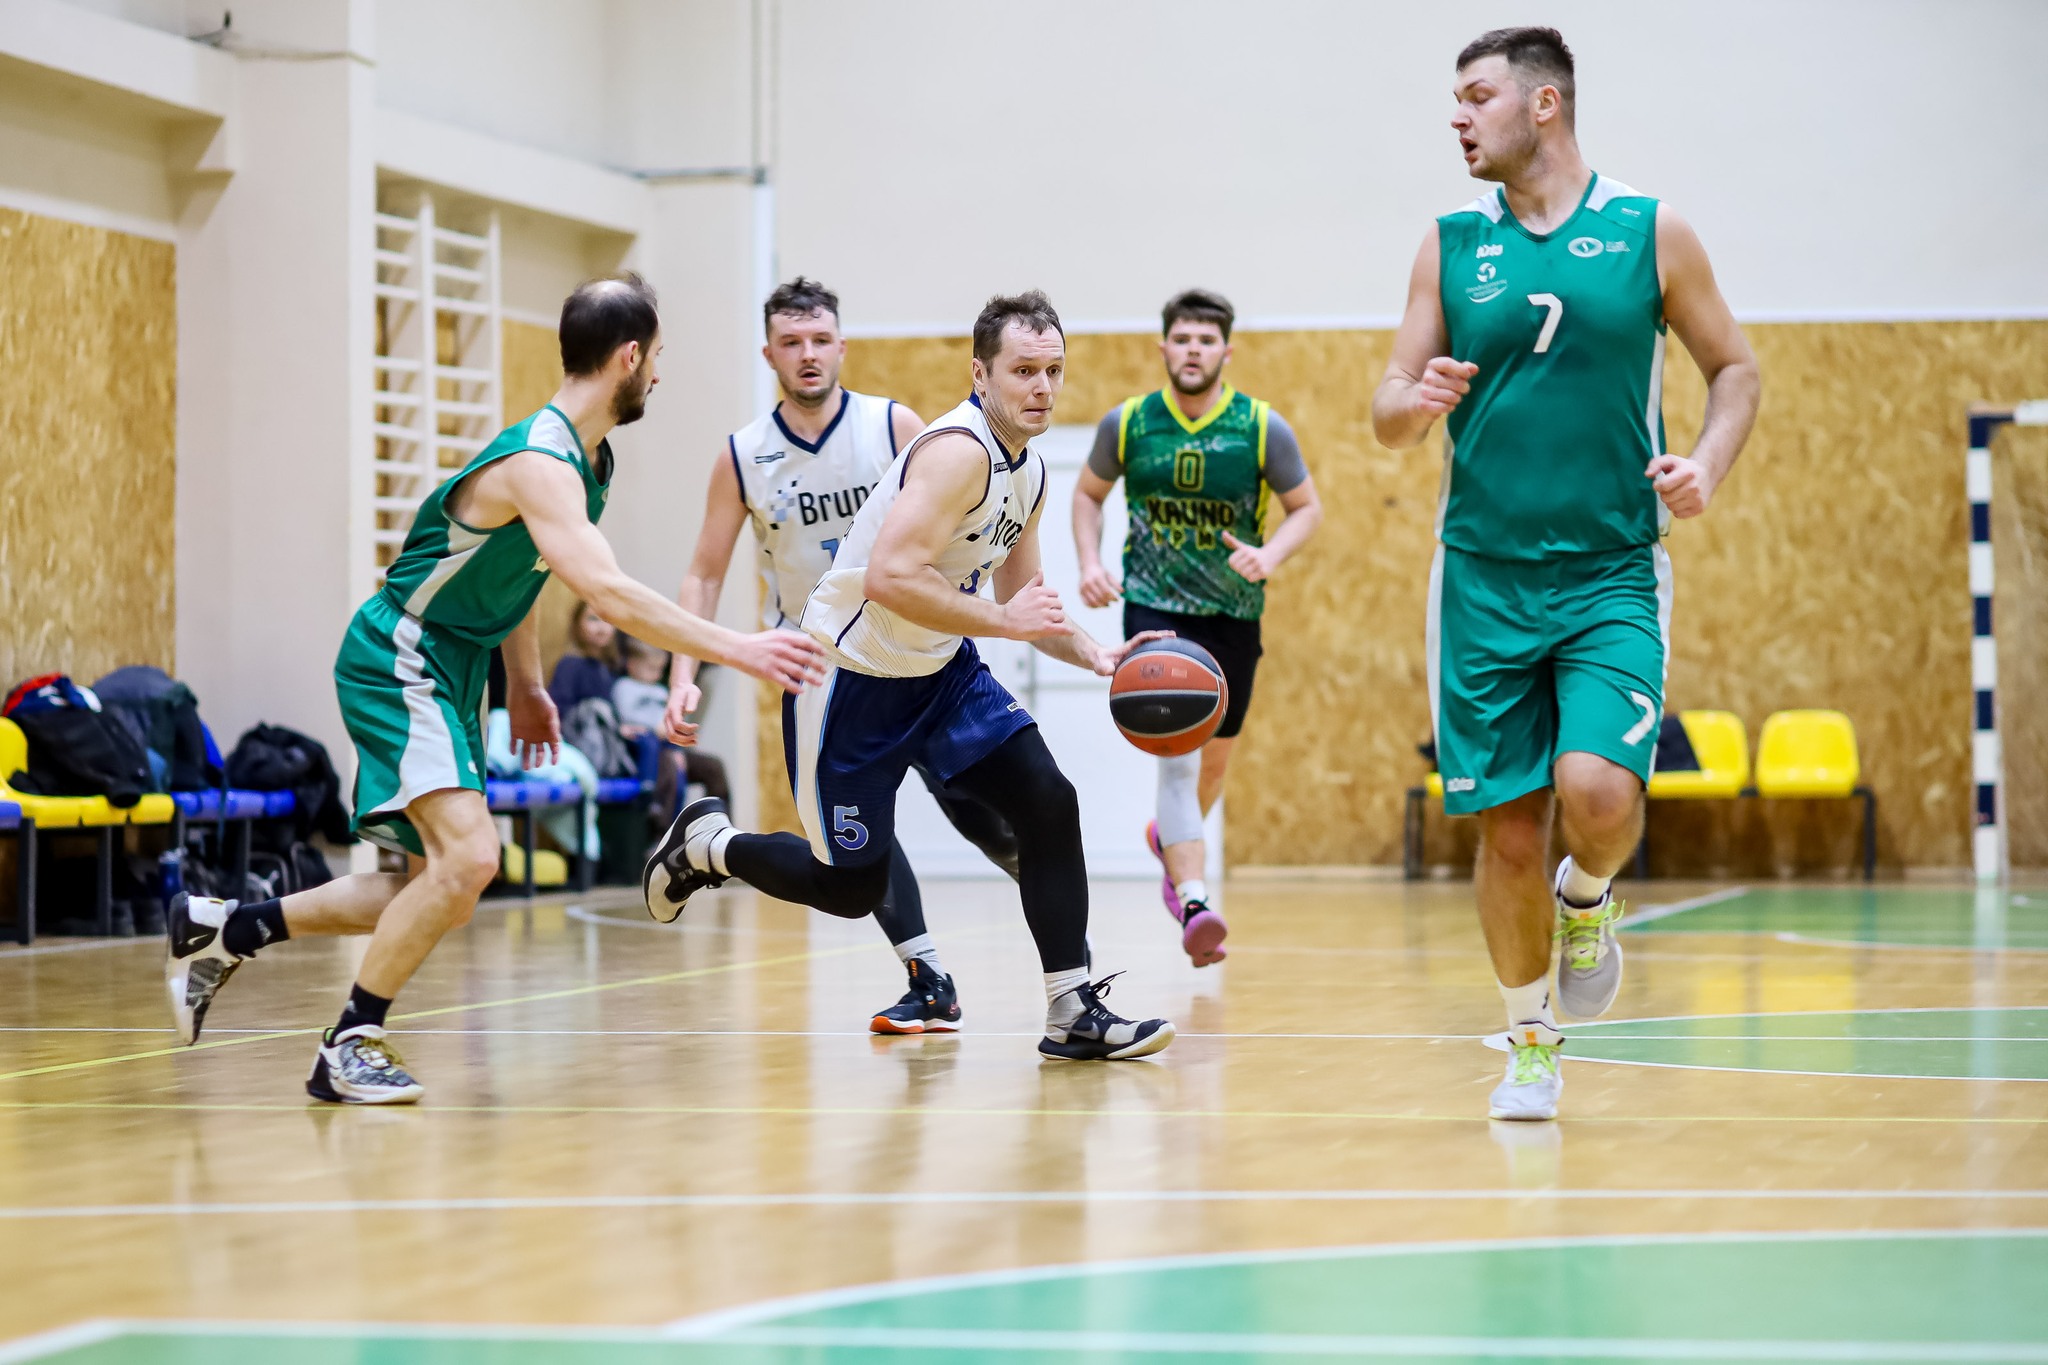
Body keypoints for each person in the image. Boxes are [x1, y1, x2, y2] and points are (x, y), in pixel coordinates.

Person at [163, 274, 825, 1103]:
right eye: (656, 356)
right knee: (473, 858)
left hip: (457, 664)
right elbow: (608, 593)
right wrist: (740, 647)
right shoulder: (540, 463)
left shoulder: (588, 459)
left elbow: (521, 571)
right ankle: (349, 1043)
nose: (660, 373)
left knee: (437, 887)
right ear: (628, 357)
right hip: (403, 652)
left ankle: (225, 928)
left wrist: (527, 682)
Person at [1370, 27, 1759, 1120]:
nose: (1457, 117)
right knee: (1505, 828)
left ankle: (1586, 895)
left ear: (1543, 104)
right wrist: (1413, 402)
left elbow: (1734, 367)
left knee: (1597, 791)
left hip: (1610, 572)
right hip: (1481, 579)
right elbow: (1386, 407)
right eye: (1454, 99)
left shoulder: (1649, 230)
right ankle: (1530, 1042)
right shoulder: (1448, 243)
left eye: (1476, 96)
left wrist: (1705, 463)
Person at [648, 291, 1176, 1061]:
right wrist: (1004, 623)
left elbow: (1021, 601)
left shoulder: (1028, 472)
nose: (1042, 387)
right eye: (1023, 370)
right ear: (980, 374)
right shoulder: (956, 450)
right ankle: (711, 844)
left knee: (1047, 799)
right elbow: (892, 576)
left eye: (1053, 370)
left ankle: (1072, 1009)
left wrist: (1098, 653)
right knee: (850, 887)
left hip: (941, 671)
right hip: (848, 676)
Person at [663, 277, 1020, 1037]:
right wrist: (683, 674)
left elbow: (965, 526)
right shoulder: (743, 456)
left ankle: (1070, 970)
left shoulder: (894, 426)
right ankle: (928, 979)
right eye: (791, 342)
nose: (808, 354)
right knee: (861, 843)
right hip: (822, 666)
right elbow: (704, 573)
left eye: (821, 339)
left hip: (923, 655)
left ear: (842, 346)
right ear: (768, 354)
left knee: (994, 820)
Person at [1074, 289, 1322, 967]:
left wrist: (1270, 555)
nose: (1193, 350)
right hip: (1156, 612)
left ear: (1226, 351)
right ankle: (1193, 899)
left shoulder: (1261, 426)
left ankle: (1169, 838)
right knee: (1180, 759)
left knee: (1214, 762)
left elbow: (1306, 508)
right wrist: (1090, 561)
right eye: (1182, 338)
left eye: (1206, 340)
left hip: (1233, 613)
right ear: (1164, 347)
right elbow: (1088, 494)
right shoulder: (1128, 423)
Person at [549, 600, 621, 712]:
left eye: (608, 620)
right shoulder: (570, 665)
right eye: (593, 619)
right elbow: (558, 710)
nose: (602, 628)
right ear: (577, 624)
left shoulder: (612, 667)